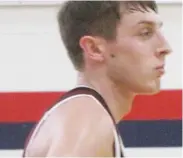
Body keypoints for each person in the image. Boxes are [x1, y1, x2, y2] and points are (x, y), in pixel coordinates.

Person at [22, 1, 171, 157]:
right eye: (145, 33)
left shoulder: (83, 114)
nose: (165, 47)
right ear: (94, 48)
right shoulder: (88, 120)